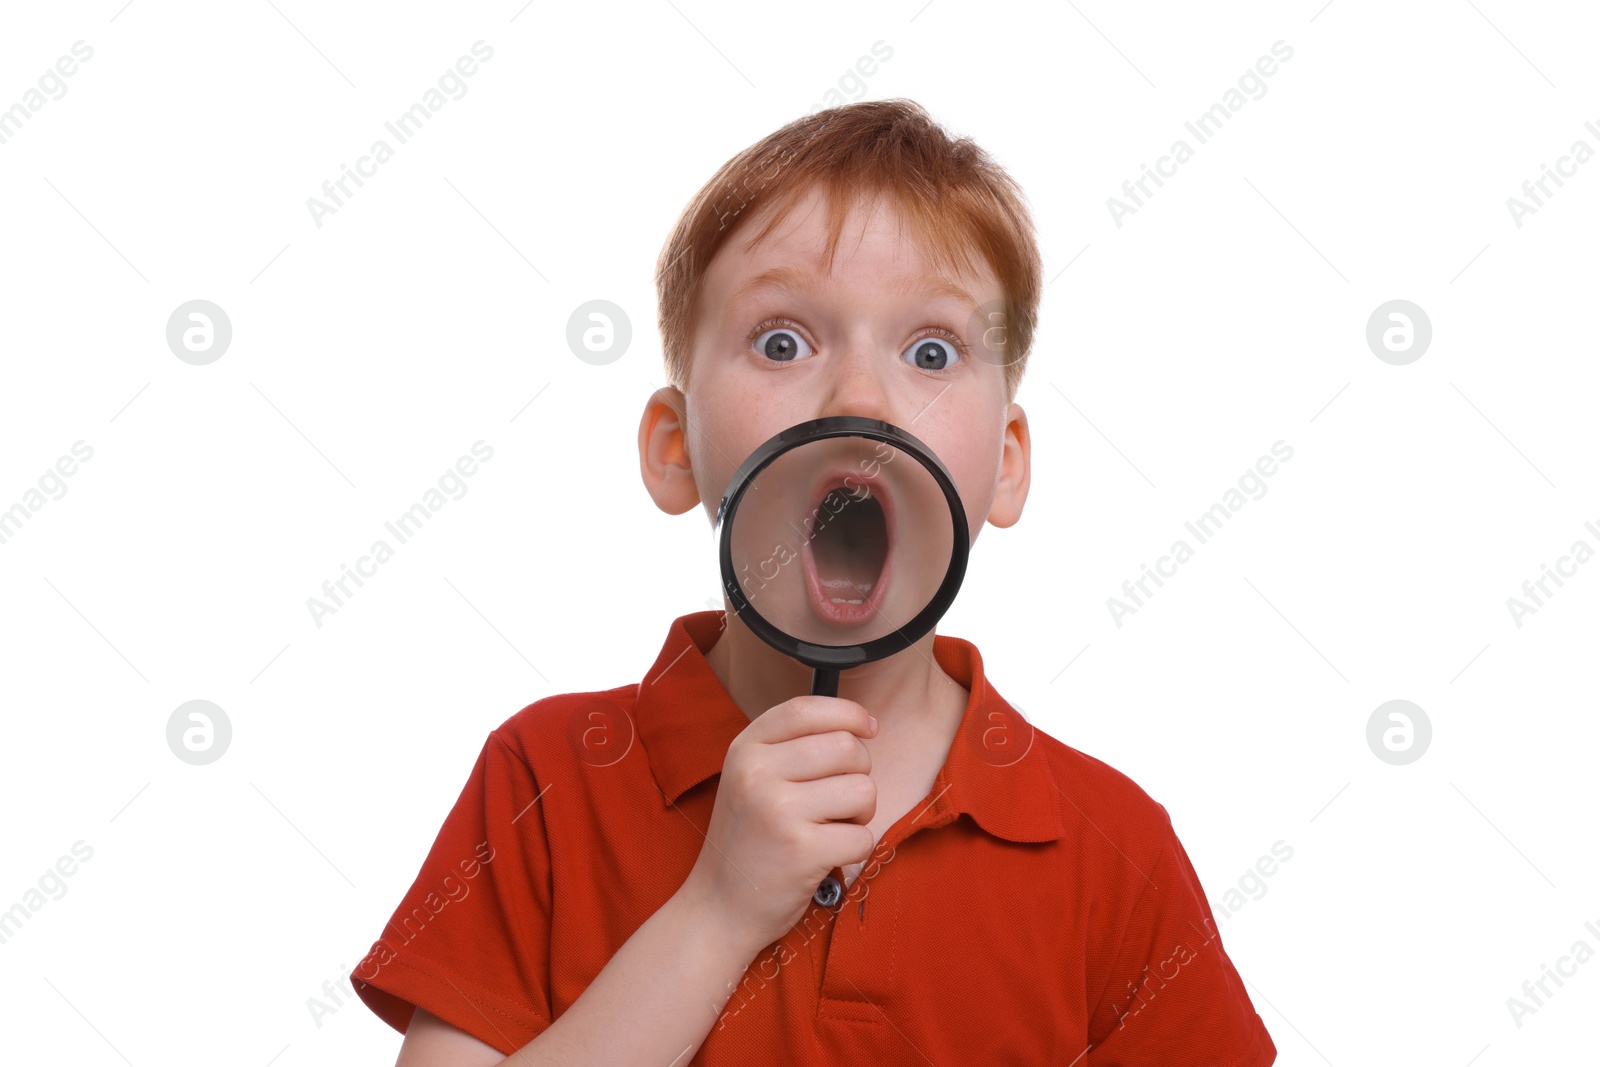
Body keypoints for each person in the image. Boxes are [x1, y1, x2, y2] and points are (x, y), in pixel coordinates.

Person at [350, 98, 1277, 1065]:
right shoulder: (546, 776)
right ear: (675, 449)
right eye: (784, 341)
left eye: (931, 351)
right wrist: (717, 910)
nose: (860, 399)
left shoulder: (1109, 846)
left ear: (1005, 464)